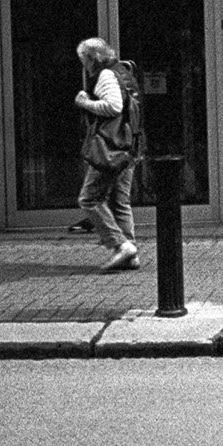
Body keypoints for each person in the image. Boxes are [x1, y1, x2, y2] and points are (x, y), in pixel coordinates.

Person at [74, 37, 138, 272]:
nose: (84, 65)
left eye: (84, 60)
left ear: (92, 59)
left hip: (110, 148)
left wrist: (85, 103)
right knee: (120, 202)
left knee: (89, 199)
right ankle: (130, 255)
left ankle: (121, 245)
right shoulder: (124, 72)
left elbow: (113, 106)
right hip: (128, 146)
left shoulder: (106, 75)